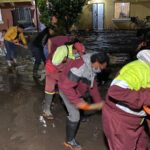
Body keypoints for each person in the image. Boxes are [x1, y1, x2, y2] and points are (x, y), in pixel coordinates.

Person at [58, 52, 109, 150]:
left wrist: (98, 102)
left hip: (74, 87)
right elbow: (66, 87)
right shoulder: (79, 67)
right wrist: (78, 103)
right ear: (97, 62)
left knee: (83, 99)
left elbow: (92, 85)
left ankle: (80, 115)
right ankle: (69, 141)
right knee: (75, 115)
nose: (102, 69)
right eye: (102, 67)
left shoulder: (93, 64)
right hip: (65, 88)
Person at [102, 49, 150, 149]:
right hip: (120, 119)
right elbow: (115, 91)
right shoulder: (137, 70)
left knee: (142, 144)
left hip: (140, 119)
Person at [42, 40, 85, 120]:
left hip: (61, 71)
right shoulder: (62, 50)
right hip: (51, 69)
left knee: (67, 86)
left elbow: (78, 61)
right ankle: (46, 110)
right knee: (50, 88)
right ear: (74, 50)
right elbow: (55, 62)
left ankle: (75, 111)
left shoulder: (75, 53)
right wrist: (66, 69)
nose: (79, 55)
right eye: (78, 53)